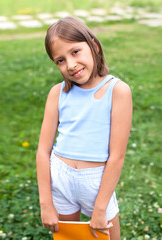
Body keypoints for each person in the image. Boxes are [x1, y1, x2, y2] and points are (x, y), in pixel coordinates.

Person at [36, 16, 132, 240]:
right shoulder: (57, 93)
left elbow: (117, 156)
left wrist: (100, 208)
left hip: (97, 183)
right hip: (60, 177)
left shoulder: (117, 91)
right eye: (60, 60)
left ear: (94, 45)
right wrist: (46, 203)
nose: (70, 65)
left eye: (75, 52)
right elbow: (43, 151)